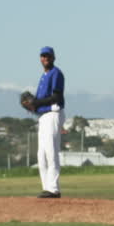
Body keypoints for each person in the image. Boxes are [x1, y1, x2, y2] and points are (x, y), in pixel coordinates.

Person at [31, 46, 65, 198]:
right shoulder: (43, 76)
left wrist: (37, 102)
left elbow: (56, 96)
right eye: (43, 56)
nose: (45, 58)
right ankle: (46, 187)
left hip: (53, 113)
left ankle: (54, 189)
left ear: (53, 58)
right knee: (41, 155)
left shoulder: (56, 73)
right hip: (43, 116)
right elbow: (39, 100)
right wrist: (32, 105)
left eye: (48, 56)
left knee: (51, 152)